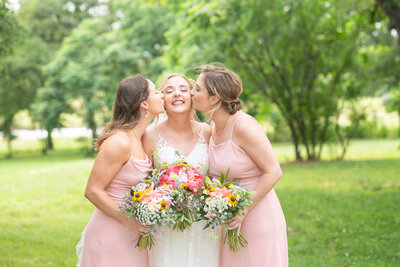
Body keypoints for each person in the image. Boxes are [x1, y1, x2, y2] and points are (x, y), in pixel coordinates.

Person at [191, 64, 288, 267]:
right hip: (229, 218)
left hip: (256, 216)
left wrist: (243, 210)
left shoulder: (244, 126)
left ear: (214, 98)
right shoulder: (214, 126)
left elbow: (274, 171)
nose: (191, 92)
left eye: (197, 89)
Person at [77, 74, 165, 267]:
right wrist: (132, 222)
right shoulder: (119, 142)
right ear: (144, 104)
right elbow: (92, 191)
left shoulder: (140, 140)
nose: (162, 95)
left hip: (132, 236)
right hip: (111, 235)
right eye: (157, 92)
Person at [142, 74, 219, 267]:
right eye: (169, 91)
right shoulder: (150, 135)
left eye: (184, 89)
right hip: (165, 226)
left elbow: (215, 175)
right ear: (163, 100)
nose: (177, 94)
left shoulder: (209, 131)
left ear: (193, 96)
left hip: (203, 223)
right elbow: (143, 182)